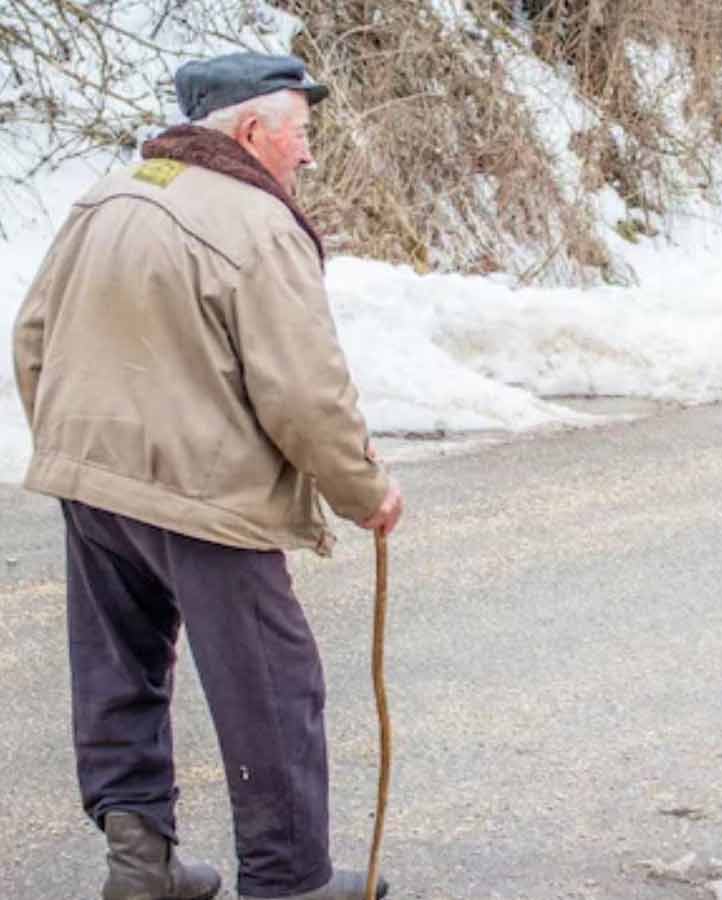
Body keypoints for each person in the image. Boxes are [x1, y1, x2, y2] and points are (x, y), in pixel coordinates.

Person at [12, 51, 402, 900]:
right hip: (205, 498)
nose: (306, 156)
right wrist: (365, 491)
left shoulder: (108, 196)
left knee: (120, 672)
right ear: (253, 130)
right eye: (300, 135)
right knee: (271, 685)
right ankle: (289, 881)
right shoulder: (257, 226)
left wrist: (77, 447)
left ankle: (140, 864)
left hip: (92, 483)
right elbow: (306, 394)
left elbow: (32, 336)